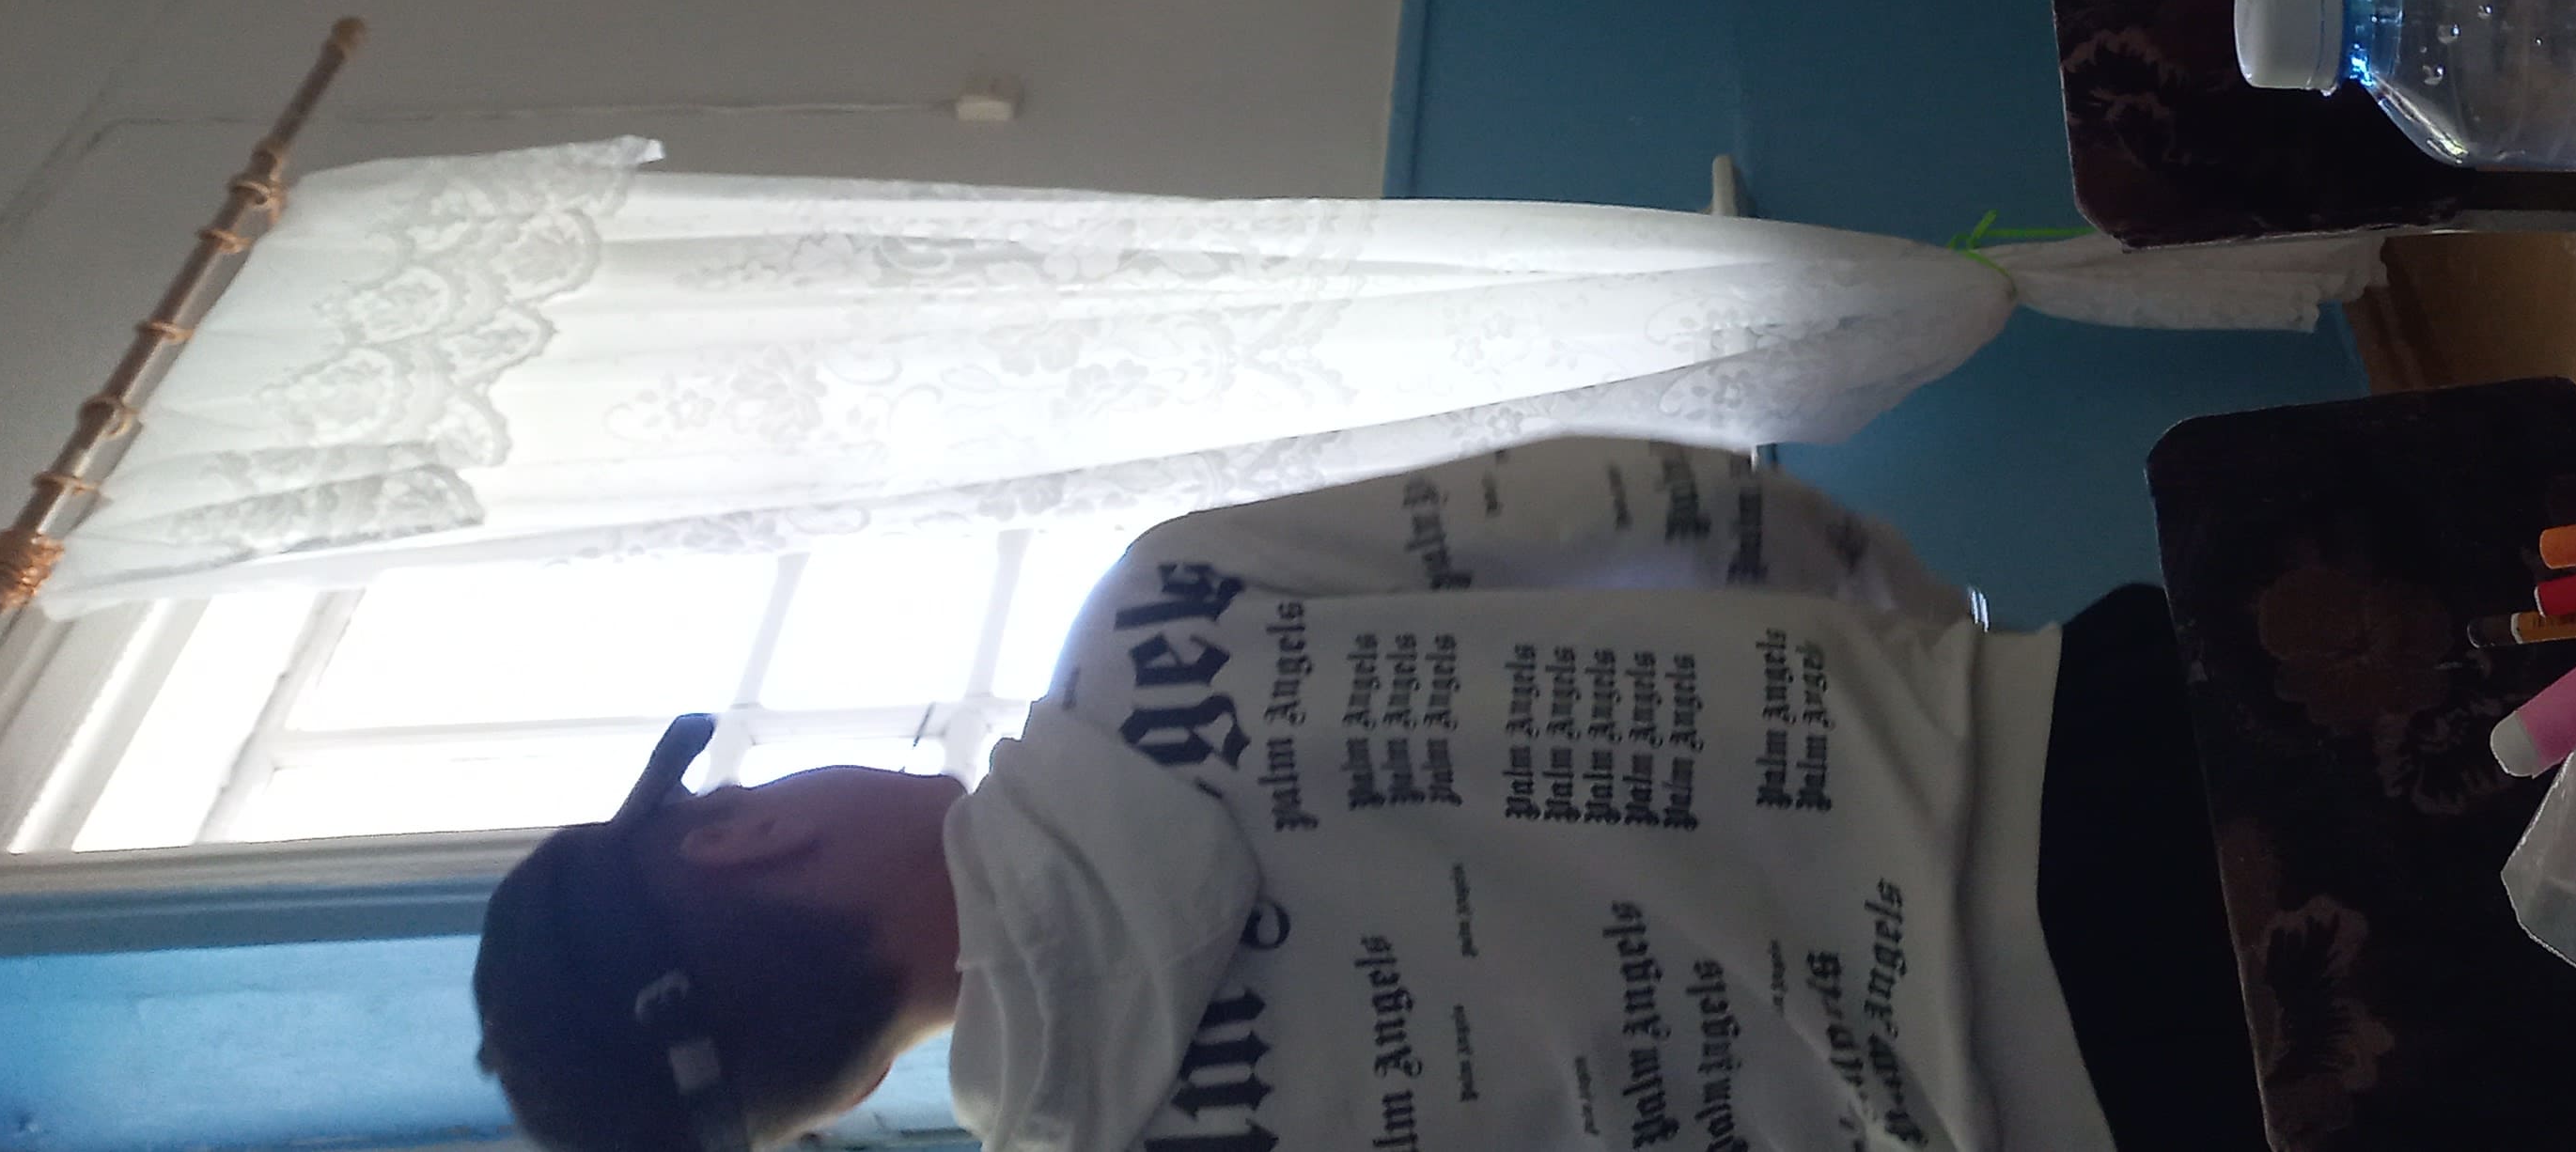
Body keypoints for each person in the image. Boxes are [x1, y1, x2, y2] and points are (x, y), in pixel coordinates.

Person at [472, 439, 2270, 1152]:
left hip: (2144, 1109)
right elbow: (1667, 501)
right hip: (2098, 745)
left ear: (844, 1084)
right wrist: (1925, 658)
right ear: (742, 829)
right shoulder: (1164, 603)